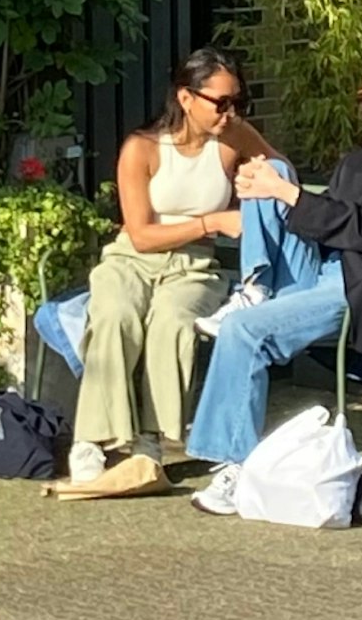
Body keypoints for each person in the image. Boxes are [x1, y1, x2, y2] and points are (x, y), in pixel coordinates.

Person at [184, 56, 362, 504]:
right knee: (272, 170)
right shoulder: (361, 163)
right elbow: (323, 221)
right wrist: (274, 187)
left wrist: (287, 196)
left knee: (242, 330)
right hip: (320, 269)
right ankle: (254, 288)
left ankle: (237, 469)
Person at [73, 50, 274, 475]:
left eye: (238, 101)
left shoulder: (234, 138)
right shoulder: (141, 148)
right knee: (114, 314)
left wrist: (255, 185)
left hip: (194, 267)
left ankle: (152, 438)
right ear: (186, 98)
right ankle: (90, 438)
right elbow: (141, 234)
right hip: (132, 258)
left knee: (172, 322)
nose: (230, 111)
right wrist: (212, 221)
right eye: (221, 102)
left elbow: (281, 172)